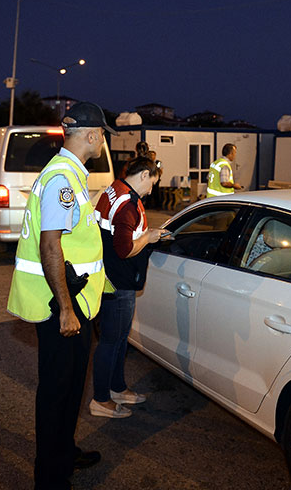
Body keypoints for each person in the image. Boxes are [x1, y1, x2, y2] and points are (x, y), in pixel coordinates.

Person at [7, 101, 116, 490]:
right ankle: (49, 477)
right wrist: (67, 310)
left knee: (72, 386)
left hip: (76, 302)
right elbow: (50, 246)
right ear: (90, 135)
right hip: (60, 306)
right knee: (56, 391)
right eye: (102, 133)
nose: (103, 140)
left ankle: (64, 453)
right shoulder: (61, 180)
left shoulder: (71, 174)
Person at [90, 156, 167, 418]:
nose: (152, 190)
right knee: (111, 342)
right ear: (144, 175)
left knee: (119, 340)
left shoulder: (114, 189)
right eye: (153, 183)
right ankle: (101, 400)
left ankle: (117, 388)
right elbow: (124, 249)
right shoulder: (127, 203)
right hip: (118, 282)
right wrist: (150, 237)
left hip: (110, 276)